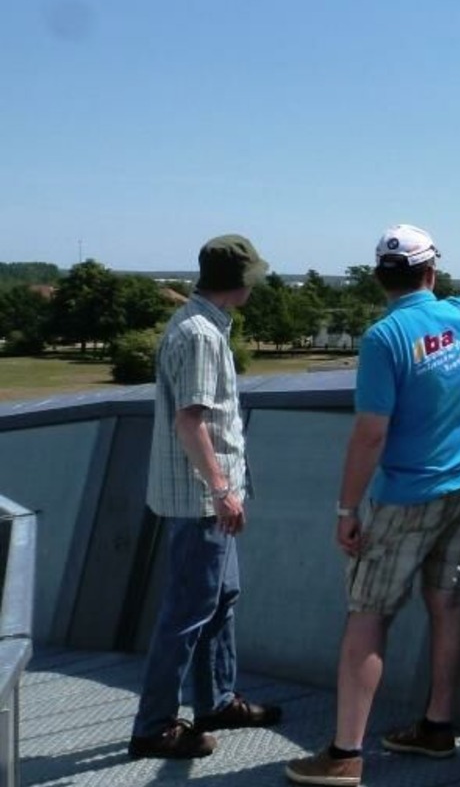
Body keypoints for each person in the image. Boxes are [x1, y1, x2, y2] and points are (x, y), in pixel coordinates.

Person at [287, 224, 460, 787]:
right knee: (448, 605)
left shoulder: (384, 339)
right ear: (431, 271)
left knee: (369, 616)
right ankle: (437, 727)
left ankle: (345, 754)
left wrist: (346, 511)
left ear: (381, 278)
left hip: (409, 497)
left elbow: (371, 434)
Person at [129, 234, 284, 760]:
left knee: (221, 598)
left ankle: (215, 701)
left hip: (208, 499)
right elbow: (190, 420)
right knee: (187, 612)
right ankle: (153, 727)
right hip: (201, 502)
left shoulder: (202, 324)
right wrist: (221, 490)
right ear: (236, 281)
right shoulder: (200, 335)